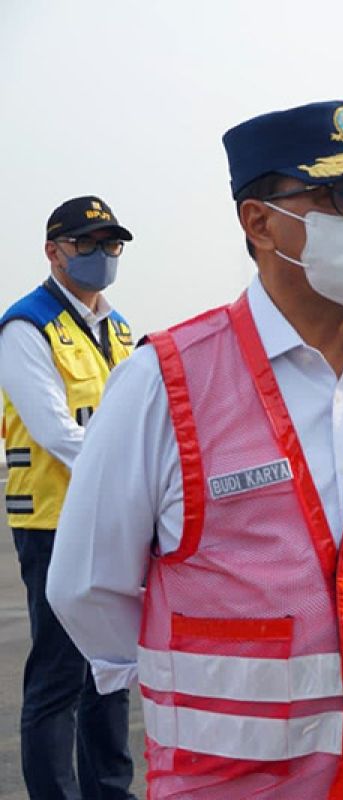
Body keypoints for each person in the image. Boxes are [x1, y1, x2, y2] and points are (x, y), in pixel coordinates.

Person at [46, 100, 343, 799]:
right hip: (237, 782)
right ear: (259, 221)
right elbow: (88, 586)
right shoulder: (164, 382)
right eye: (339, 195)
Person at [0, 195, 137, 800]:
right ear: (54, 252)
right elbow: (56, 430)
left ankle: (109, 788)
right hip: (54, 521)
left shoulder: (119, 328)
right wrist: (128, 478)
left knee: (110, 669)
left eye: (111, 244)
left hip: (110, 517)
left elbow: (135, 415)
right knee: (59, 673)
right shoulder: (25, 326)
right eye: (88, 244)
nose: (102, 255)